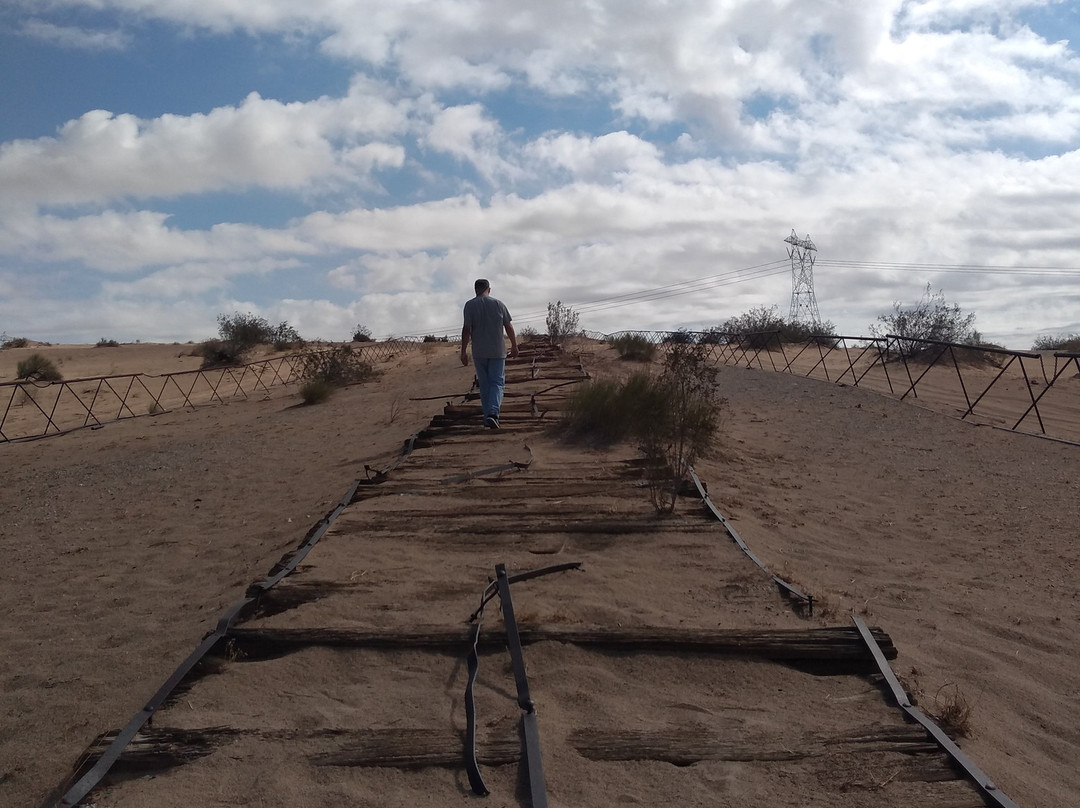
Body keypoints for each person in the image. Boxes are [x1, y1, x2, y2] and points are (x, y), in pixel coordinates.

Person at [460, 278, 519, 429]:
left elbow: (466, 330)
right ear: (489, 289)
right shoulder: (498, 304)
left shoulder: (469, 305)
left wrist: (463, 351)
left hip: (479, 351)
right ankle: (493, 413)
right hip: (497, 350)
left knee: (485, 384)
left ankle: (488, 417)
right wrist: (514, 345)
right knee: (497, 382)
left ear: (475, 290)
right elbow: (509, 326)